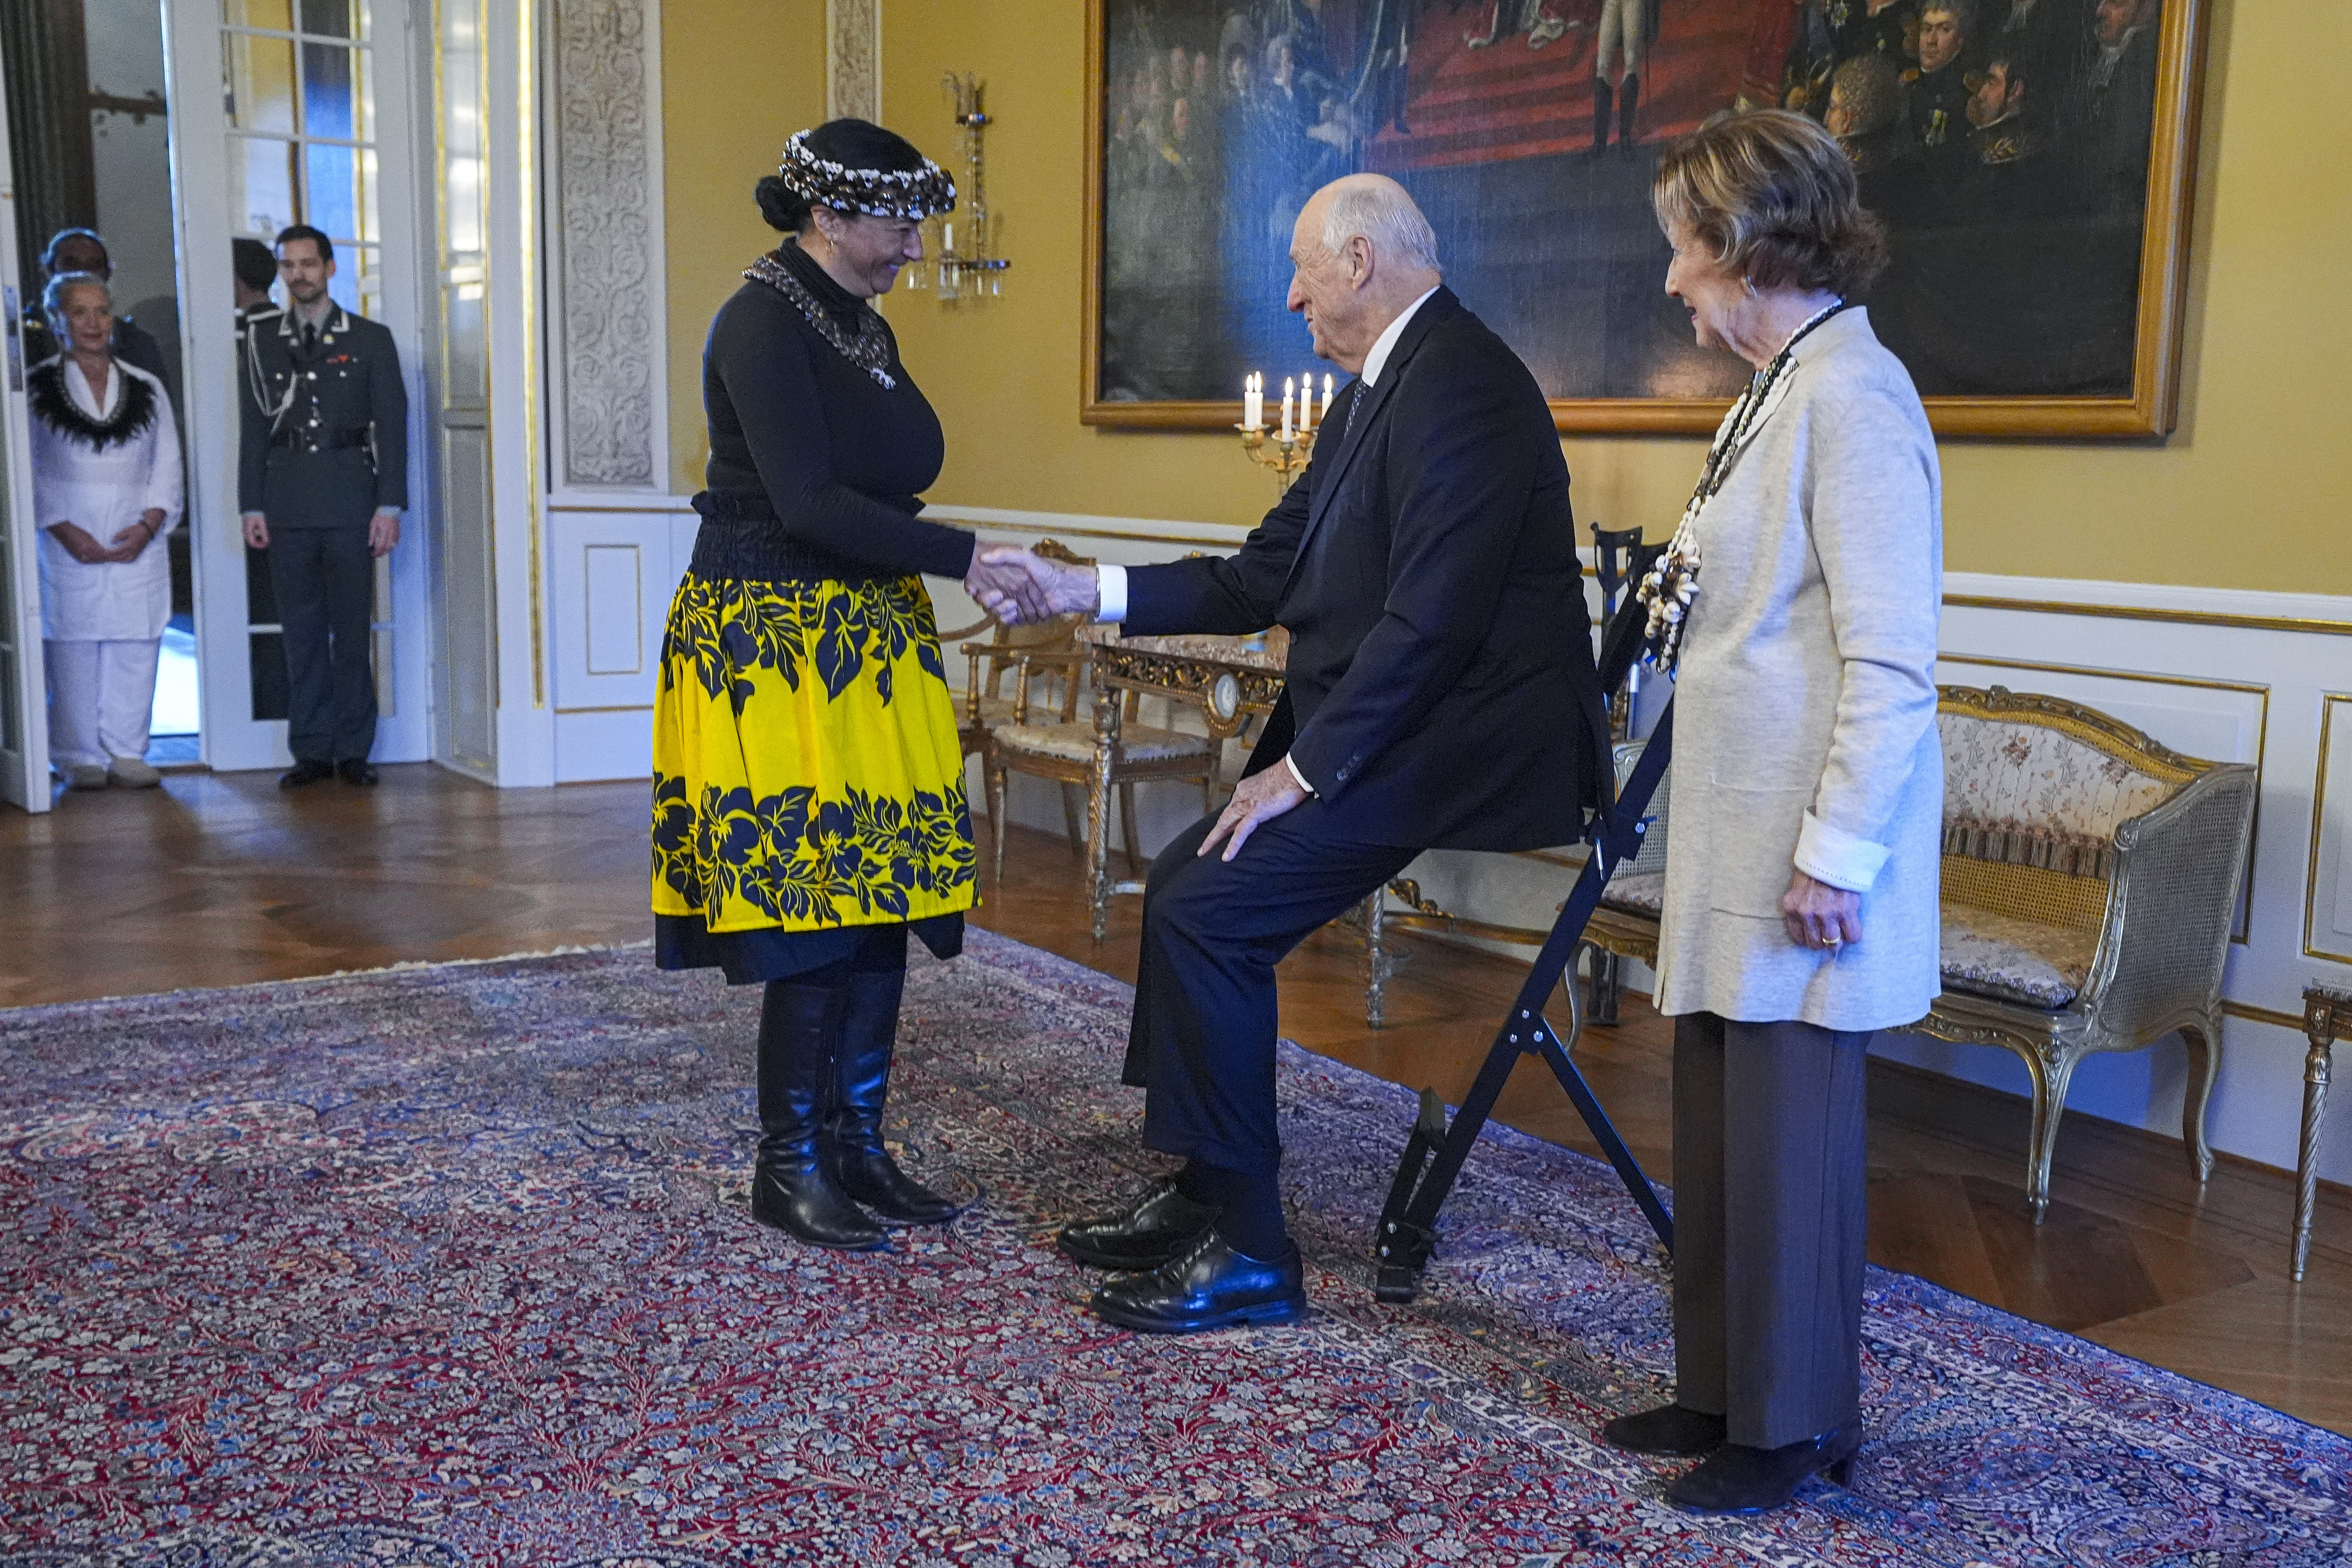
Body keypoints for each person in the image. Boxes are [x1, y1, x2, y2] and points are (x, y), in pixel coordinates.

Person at [975, 173, 1612, 1335]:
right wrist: (1084, 588)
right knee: (1186, 886)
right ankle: (1206, 1188)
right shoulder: (1376, 391)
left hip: (1449, 739)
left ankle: (1252, 1250)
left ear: (1360, 262)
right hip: (1400, 725)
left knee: (1215, 911)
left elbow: (1436, 623)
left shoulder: (1464, 384)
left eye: (1304, 271)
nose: (1290, 296)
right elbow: (1256, 575)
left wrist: (1302, 772)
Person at [1600, 110, 1942, 1515]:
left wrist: (1837, 853)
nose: (1672, 283)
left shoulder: (1852, 398)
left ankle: (1788, 1424)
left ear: (1743, 247)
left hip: (1801, 855)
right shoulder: (1776, 387)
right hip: (1732, 831)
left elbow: (1891, 658)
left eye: (1683, 253)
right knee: (1720, 1121)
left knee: (1786, 1142)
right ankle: (1720, 1384)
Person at [649, 119, 1046, 1255]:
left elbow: (887, 473)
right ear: (830, 217)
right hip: (774, 643)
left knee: (888, 894)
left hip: (869, 631)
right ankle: (792, 1164)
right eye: (899, 220)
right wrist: (972, 557)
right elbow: (811, 504)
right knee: (815, 906)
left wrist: (945, 559)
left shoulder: (859, 322)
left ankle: (858, 1143)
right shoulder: (760, 320)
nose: (916, 243)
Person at [237, 224, 406, 789]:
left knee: (351, 629)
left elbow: (392, 425)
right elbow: (254, 429)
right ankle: (310, 748)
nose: (298, 275)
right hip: (286, 498)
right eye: (289, 266)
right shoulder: (262, 339)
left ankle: (354, 749)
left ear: (330, 268)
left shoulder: (369, 338)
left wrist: (390, 505)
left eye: (308, 264)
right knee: (301, 631)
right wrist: (250, 504)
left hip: (349, 496)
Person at [29, 272, 182, 792]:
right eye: (79, 312)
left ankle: (127, 750)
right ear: (57, 320)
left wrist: (148, 525)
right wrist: (63, 528)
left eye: (101, 311)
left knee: (137, 640)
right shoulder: (34, 388)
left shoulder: (146, 386)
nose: (93, 323)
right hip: (66, 533)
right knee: (71, 644)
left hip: (134, 533)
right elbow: (28, 466)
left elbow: (168, 464)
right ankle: (77, 753)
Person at [23, 230, 169, 387]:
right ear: (49, 270)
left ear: (107, 274)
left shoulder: (136, 342)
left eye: (93, 265)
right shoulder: (25, 338)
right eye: (71, 263)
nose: (82, 272)